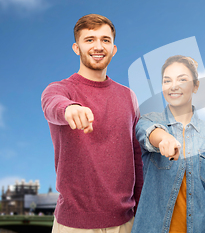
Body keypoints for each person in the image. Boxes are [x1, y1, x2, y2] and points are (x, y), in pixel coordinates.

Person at [41, 14, 143, 232]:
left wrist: (141, 211)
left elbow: (137, 157)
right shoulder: (60, 90)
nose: (98, 46)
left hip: (125, 223)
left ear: (114, 49)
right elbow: (52, 105)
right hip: (73, 225)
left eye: (105, 40)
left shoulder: (128, 97)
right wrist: (70, 109)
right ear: (76, 48)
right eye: (89, 40)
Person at [132, 55, 205, 233]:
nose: (174, 86)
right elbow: (148, 133)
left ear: (196, 86)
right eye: (167, 80)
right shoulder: (148, 120)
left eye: (182, 79)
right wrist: (164, 138)